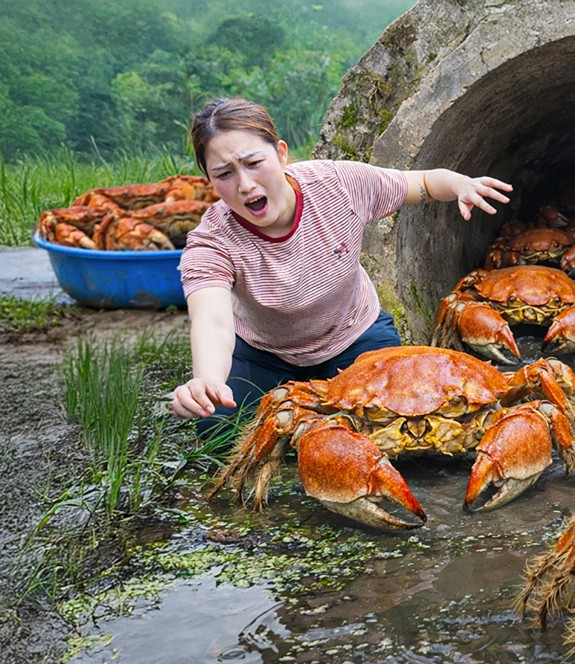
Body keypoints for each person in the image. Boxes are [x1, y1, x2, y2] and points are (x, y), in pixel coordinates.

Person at [168, 97, 512, 432]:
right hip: (266, 352)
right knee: (216, 422)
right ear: (210, 180)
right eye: (224, 173)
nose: (245, 184)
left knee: (400, 418)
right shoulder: (211, 240)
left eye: (254, 163)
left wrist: (460, 184)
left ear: (281, 153)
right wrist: (208, 381)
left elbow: (421, 183)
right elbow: (212, 321)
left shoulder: (337, 185)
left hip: (353, 336)